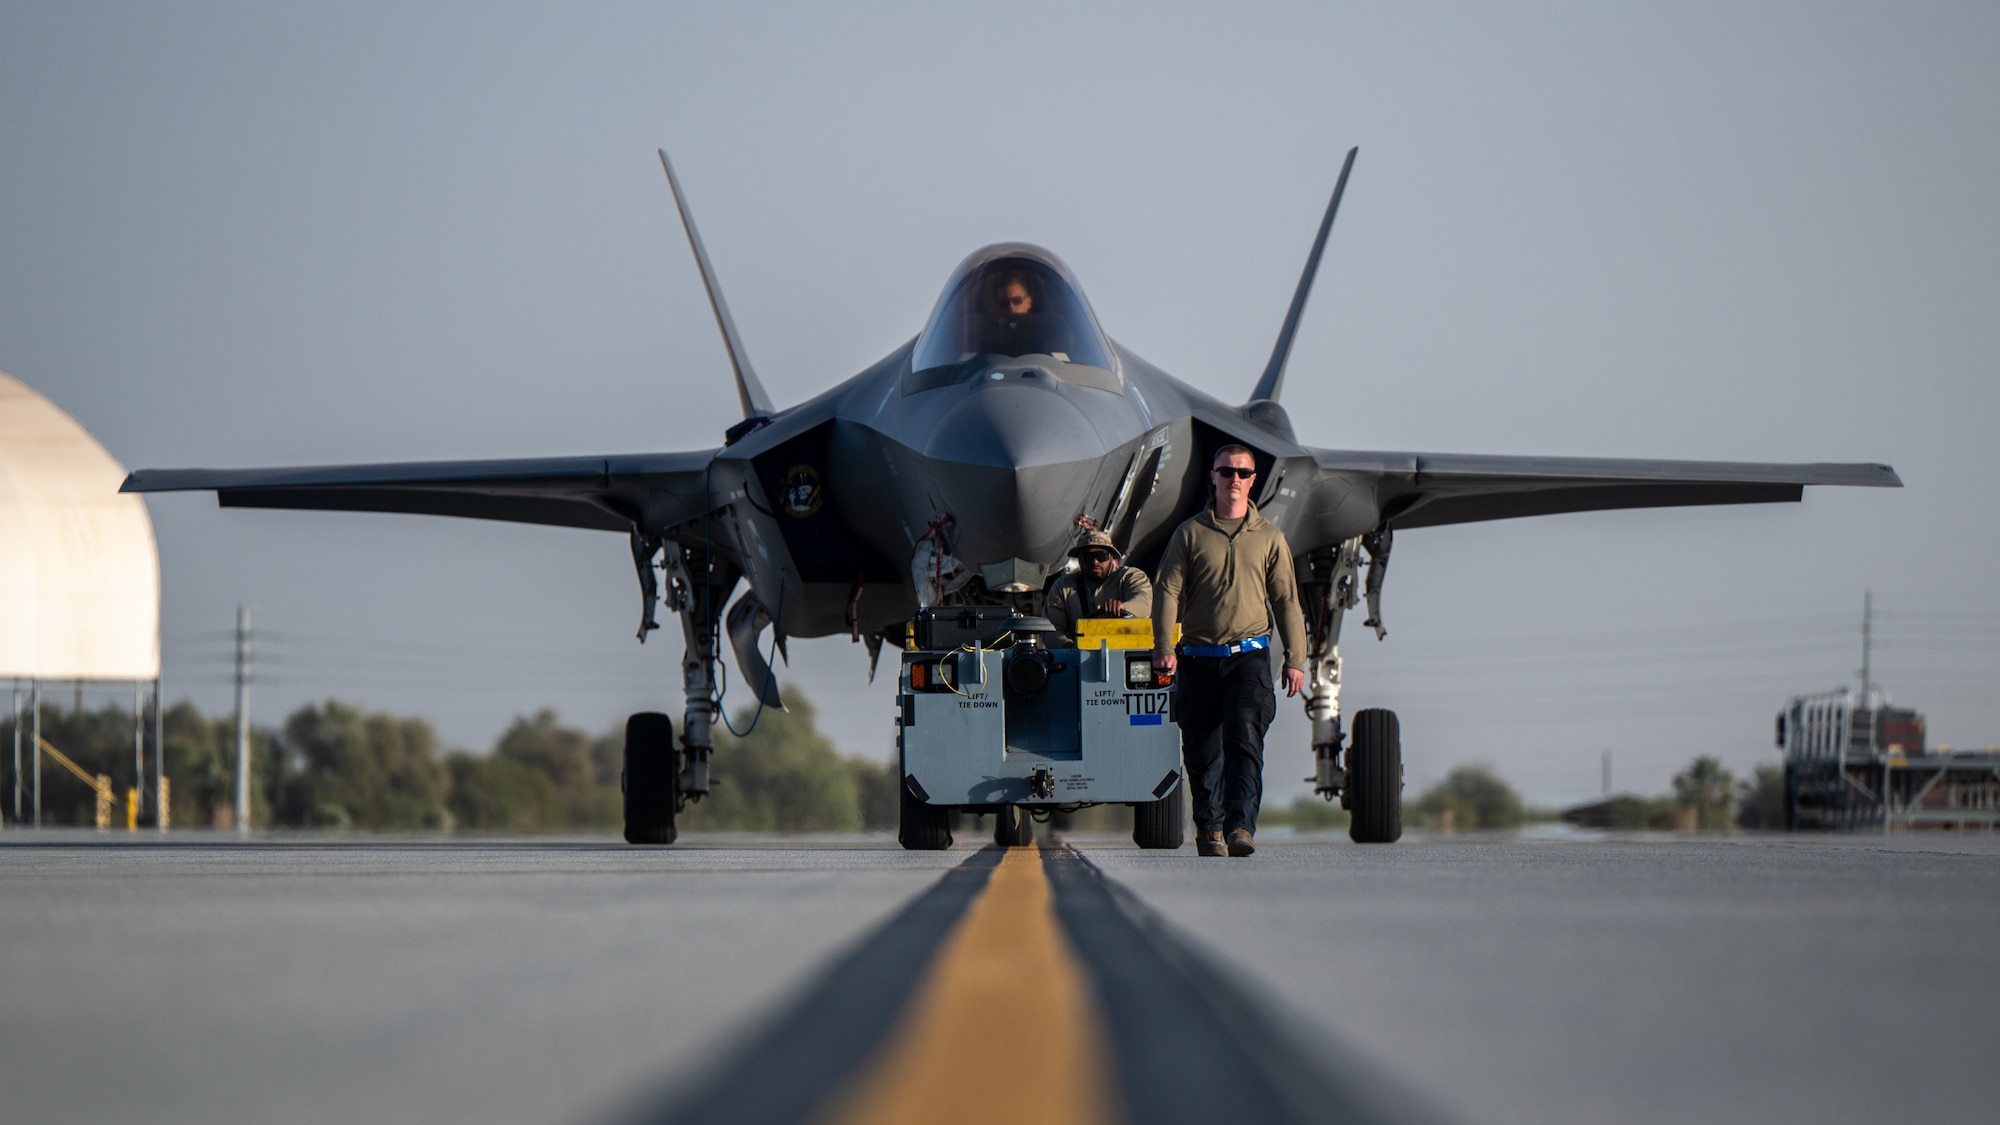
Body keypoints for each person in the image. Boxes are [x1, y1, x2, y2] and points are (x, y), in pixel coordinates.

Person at [1152, 445, 1306, 858]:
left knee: (1245, 741)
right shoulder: (1190, 534)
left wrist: (1295, 659)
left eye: (1242, 473)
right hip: (1198, 658)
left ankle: (1240, 827)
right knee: (1202, 754)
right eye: (1226, 472)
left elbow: (1287, 601)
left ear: (1254, 480)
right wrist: (1164, 647)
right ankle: (1210, 830)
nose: (1234, 479)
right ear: (1213, 477)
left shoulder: (1270, 537)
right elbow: (1167, 591)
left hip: (1248, 658)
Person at [1043, 530, 1151, 638]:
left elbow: (1143, 603)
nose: (1095, 562)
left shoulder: (1130, 577)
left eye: (1101, 556)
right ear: (1079, 560)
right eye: (1087, 557)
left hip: (1127, 651)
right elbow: (1051, 630)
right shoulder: (1063, 586)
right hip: (1080, 652)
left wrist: (1122, 607)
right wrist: (1069, 648)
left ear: (1111, 557)